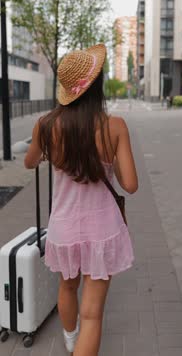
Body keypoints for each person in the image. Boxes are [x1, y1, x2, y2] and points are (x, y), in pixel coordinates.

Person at [24, 44, 138, 356]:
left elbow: (29, 163)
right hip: (103, 230)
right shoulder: (114, 126)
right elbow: (130, 184)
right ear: (97, 85)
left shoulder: (46, 125)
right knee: (93, 314)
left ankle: (70, 338)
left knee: (67, 286)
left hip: (63, 227)